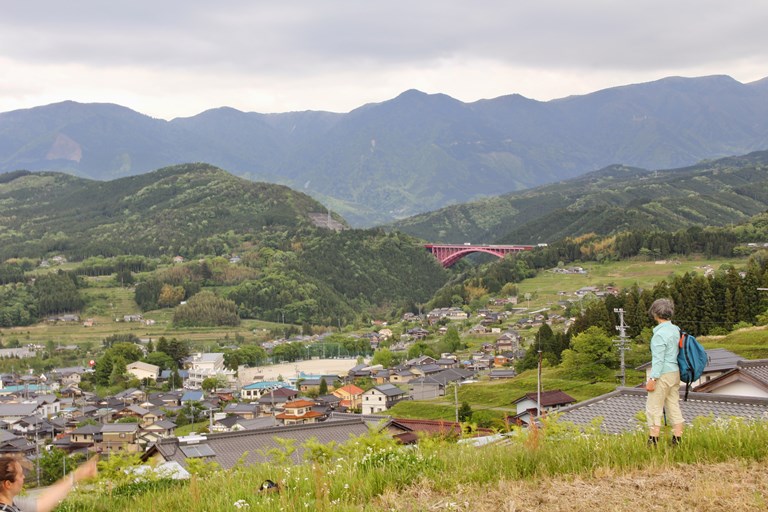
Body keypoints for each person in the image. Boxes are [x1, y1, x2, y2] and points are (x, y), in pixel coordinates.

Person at [645, 298, 684, 446]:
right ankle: (677, 439)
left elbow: (658, 359)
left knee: (654, 406)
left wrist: (653, 379)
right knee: (673, 404)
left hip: (662, 374)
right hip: (675, 373)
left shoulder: (659, 334)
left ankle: (653, 440)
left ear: (655, 313)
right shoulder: (675, 329)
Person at [0, 453, 98, 512]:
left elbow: (42, 504)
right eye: (20, 475)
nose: (24, 477)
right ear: (8, 484)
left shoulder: (13, 503)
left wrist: (77, 475)